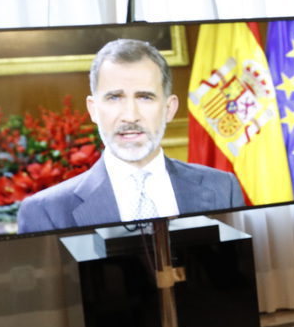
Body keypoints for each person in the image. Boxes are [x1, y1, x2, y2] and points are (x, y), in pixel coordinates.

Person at [16, 39, 245, 234]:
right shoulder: (45, 211)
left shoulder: (223, 188)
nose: (130, 116)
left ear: (169, 109)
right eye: (114, 97)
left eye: (145, 97)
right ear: (94, 109)